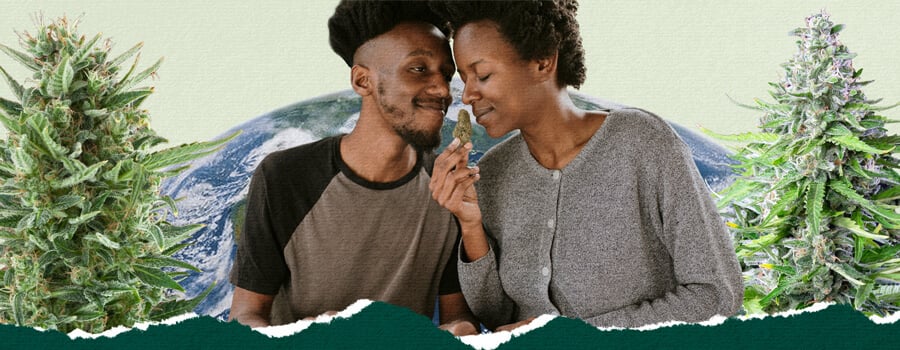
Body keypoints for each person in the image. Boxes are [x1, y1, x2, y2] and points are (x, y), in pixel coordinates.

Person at [428, 0, 743, 330]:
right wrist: (471, 224)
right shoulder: (491, 173)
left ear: (542, 61)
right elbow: (497, 317)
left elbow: (716, 295)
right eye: (464, 78)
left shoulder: (642, 144)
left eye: (483, 75)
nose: (467, 96)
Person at [228, 1, 477, 336]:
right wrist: (305, 333)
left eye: (446, 75)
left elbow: (457, 319)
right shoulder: (284, 177)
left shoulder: (447, 188)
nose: (442, 90)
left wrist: (458, 332)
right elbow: (244, 317)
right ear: (363, 81)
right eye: (418, 69)